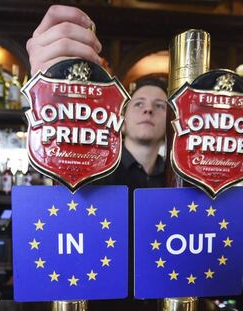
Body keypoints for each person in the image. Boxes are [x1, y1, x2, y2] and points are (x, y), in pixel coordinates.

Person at [27, 5, 167, 310]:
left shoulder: (180, 182)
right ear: (121, 113)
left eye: (160, 106)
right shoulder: (93, 168)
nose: (148, 110)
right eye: (139, 103)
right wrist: (52, 88)